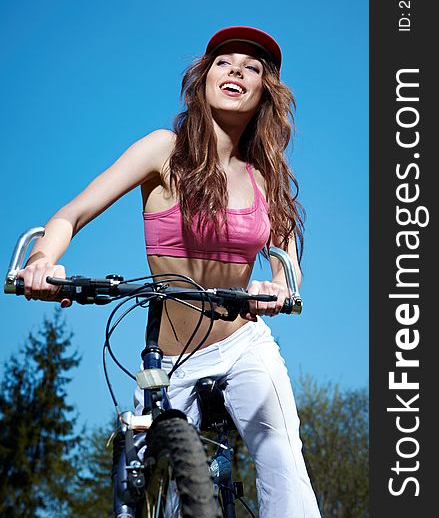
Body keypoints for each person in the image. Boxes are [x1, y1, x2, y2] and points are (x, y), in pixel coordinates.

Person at [18, 26, 321, 517]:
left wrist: (279, 288)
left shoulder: (264, 175)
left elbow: (287, 265)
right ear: (203, 79)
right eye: (224, 62)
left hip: (243, 345)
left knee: (283, 459)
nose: (236, 71)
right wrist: (40, 262)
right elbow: (70, 215)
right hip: (170, 361)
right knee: (139, 488)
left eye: (252, 67)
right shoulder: (164, 150)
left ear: (265, 90)